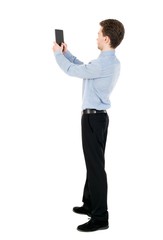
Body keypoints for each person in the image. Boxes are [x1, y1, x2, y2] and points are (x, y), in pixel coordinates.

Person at [52, 19, 125, 232]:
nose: (96, 37)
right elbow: (83, 67)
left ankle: (101, 217)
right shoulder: (109, 62)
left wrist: (57, 54)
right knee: (93, 163)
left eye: (98, 33)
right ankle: (90, 204)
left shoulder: (103, 63)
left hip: (93, 119)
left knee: (96, 168)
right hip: (98, 119)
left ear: (106, 38)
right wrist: (67, 53)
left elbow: (73, 71)